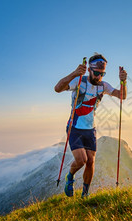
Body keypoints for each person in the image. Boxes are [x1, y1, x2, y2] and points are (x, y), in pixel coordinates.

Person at [54, 53, 127, 197]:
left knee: (90, 161)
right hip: (74, 127)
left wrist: (124, 82)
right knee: (81, 160)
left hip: (90, 129)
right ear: (89, 70)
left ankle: (85, 195)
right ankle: (70, 177)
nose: (99, 76)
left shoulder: (103, 86)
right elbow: (57, 88)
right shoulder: (79, 81)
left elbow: (122, 96)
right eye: (96, 73)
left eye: (102, 73)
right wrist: (75, 73)